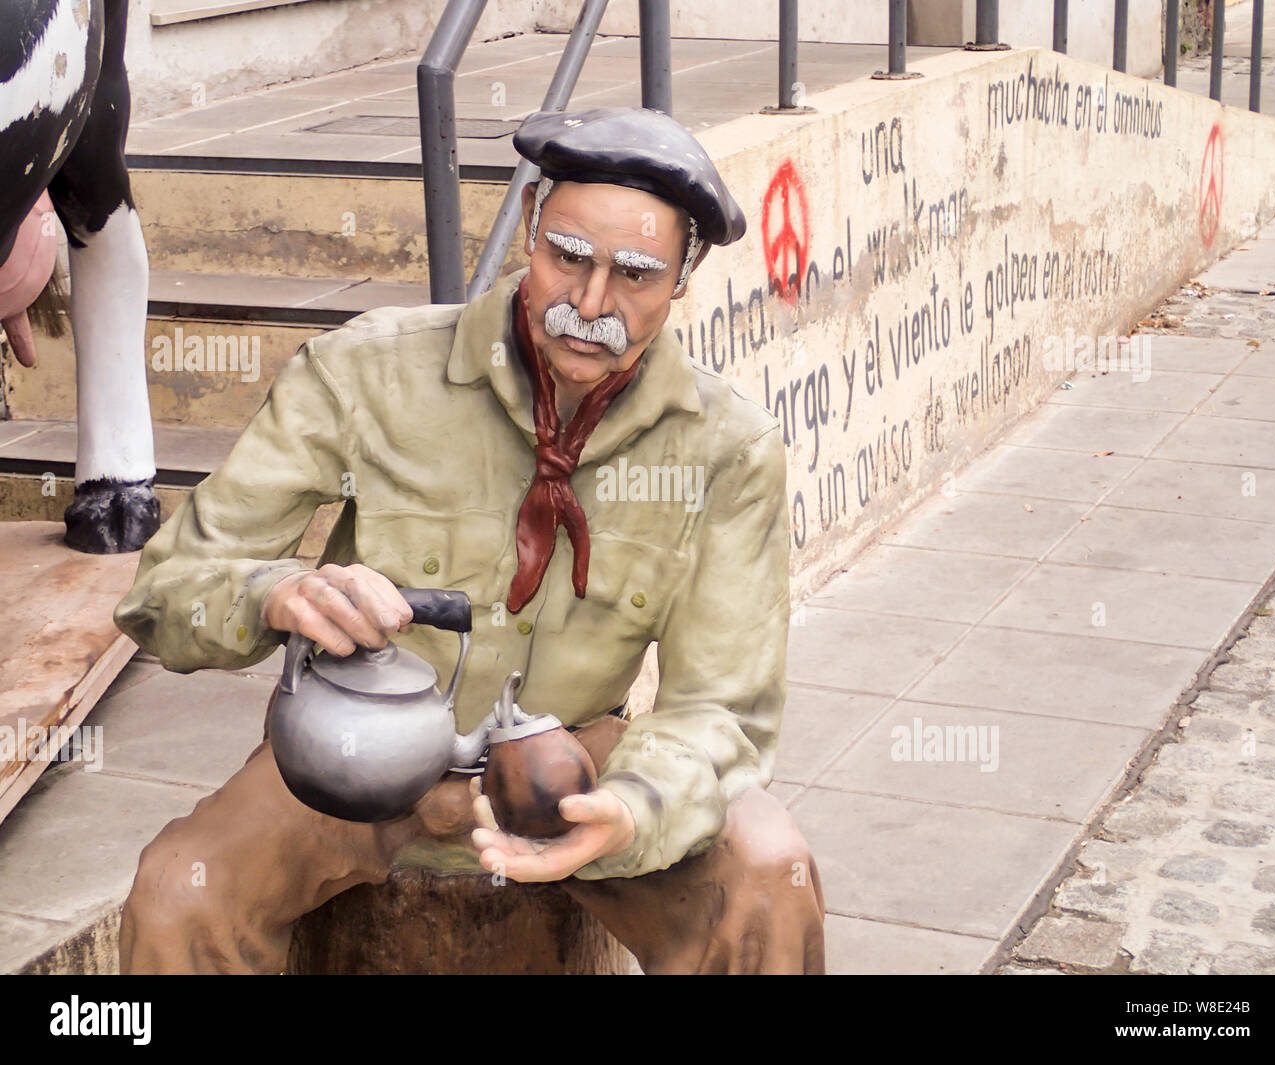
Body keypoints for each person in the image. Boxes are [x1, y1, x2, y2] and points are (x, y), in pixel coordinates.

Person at [113, 106, 826, 974]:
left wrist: (636, 806)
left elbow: (723, 707)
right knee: (177, 893)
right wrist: (273, 592)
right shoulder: (365, 373)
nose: (590, 304)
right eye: (566, 256)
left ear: (686, 275)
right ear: (529, 222)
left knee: (767, 878)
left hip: (577, 766)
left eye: (636, 275)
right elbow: (163, 589)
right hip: (358, 768)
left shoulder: (726, 448)